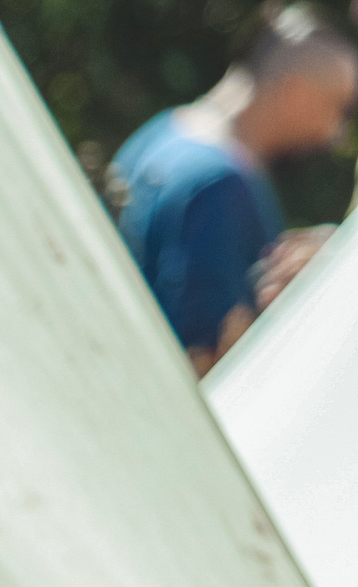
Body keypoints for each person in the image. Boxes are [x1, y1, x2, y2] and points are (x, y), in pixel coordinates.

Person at [109, 4, 358, 374]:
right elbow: (210, 358)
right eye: (338, 108)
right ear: (297, 93)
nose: (334, 134)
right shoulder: (223, 186)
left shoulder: (163, 131)